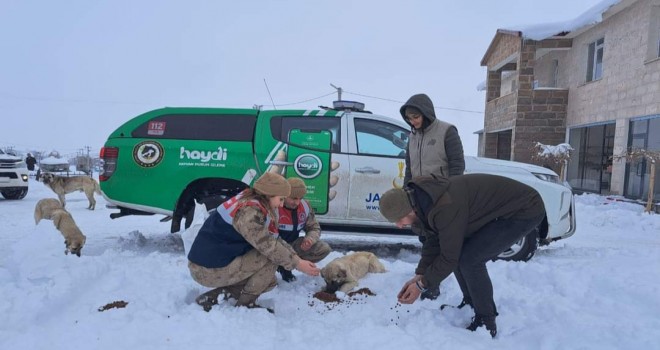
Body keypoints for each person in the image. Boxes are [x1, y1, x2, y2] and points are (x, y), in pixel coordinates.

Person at [379, 174, 545, 337]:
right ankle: (471, 304)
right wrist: (421, 274)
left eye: (399, 220)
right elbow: (433, 239)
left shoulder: (444, 206)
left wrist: (422, 285)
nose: (399, 226)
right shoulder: (423, 202)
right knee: (462, 255)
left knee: (471, 259)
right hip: (500, 210)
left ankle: (486, 321)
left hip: (523, 209)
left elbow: (449, 258)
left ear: (410, 211)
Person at [187, 172, 320, 312]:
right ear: (268, 194)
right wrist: (298, 264)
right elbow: (269, 246)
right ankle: (246, 304)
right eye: (280, 199)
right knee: (271, 259)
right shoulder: (249, 212)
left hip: (214, 263)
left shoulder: (255, 202)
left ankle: (213, 297)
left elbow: (274, 238)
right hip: (205, 270)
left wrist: (297, 259)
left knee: (268, 281)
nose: (281, 205)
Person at [400, 93, 465, 300]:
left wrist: (451, 194)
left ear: (426, 113)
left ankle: (431, 284)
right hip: (421, 198)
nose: (413, 121)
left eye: (416, 116)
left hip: (441, 197)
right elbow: (409, 170)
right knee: (427, 240)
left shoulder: (447, 131)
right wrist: (407, 195)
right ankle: (427, 280)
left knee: (439, 242)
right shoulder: (412, 137)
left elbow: (457, 166)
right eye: (409, 118)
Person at [276, 177, 331, 282]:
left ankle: (286, 267)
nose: (297, 202)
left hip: (293, 245)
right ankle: (276, 266)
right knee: (266, 281)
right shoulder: (275, 206)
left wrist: (310, 239)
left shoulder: (305, 206)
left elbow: (314, 227)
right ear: (284, 195)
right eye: (293, 198)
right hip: (274, 246)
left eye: (300, 198)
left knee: (323, 248)